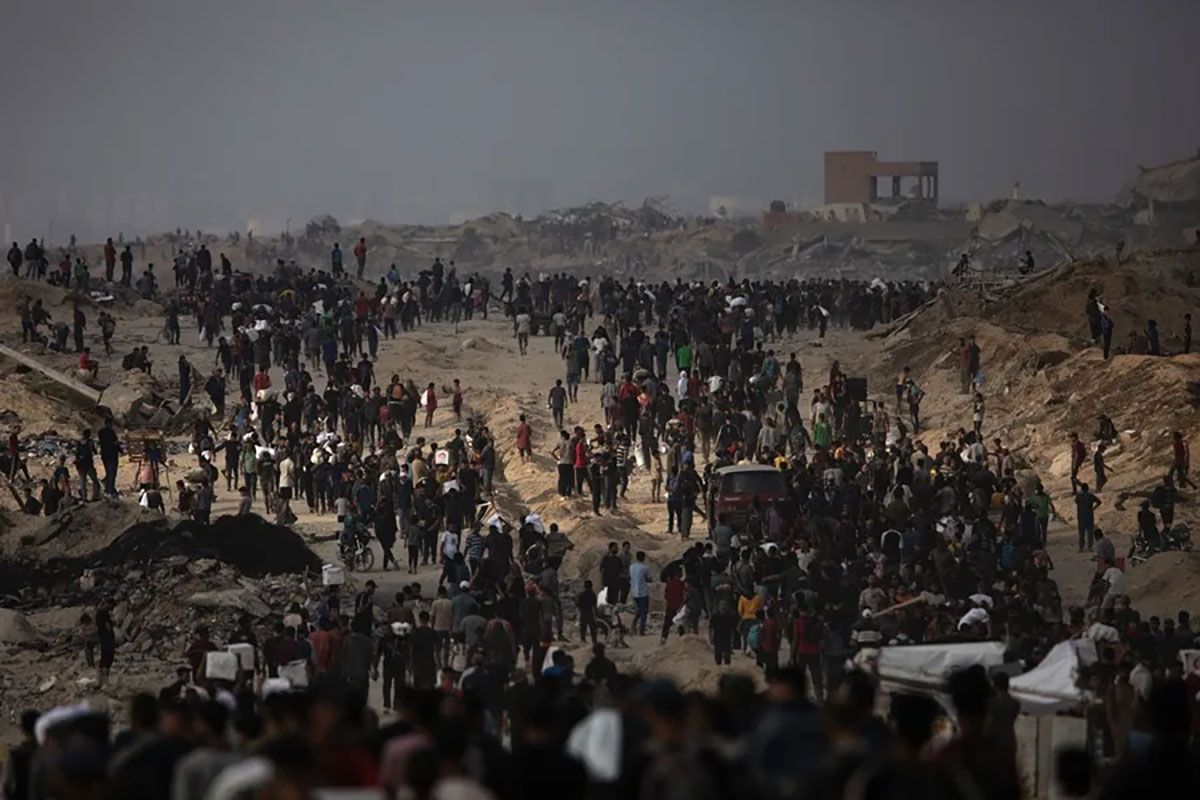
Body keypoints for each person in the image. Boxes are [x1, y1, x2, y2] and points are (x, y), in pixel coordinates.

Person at [629, 551, 651, 636]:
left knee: (638, 611)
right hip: (643, 592)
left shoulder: (631, 566)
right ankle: (641, 630)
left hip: (634, 592)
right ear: (643, 558)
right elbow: (649, 579)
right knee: (644, 612)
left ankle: (633, 627)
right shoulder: (645, 567)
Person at [1075, 483, 1101, 552]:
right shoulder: (1090, 495)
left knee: (1081, 532)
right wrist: (1093, 508)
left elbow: (1076, 502)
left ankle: (1081, 547)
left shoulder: (1079, 496)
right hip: (1089, 515)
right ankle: (1090, 546)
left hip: (1081, 516)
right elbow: (1099, 502)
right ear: (1087, 488)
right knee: (1090, 531)